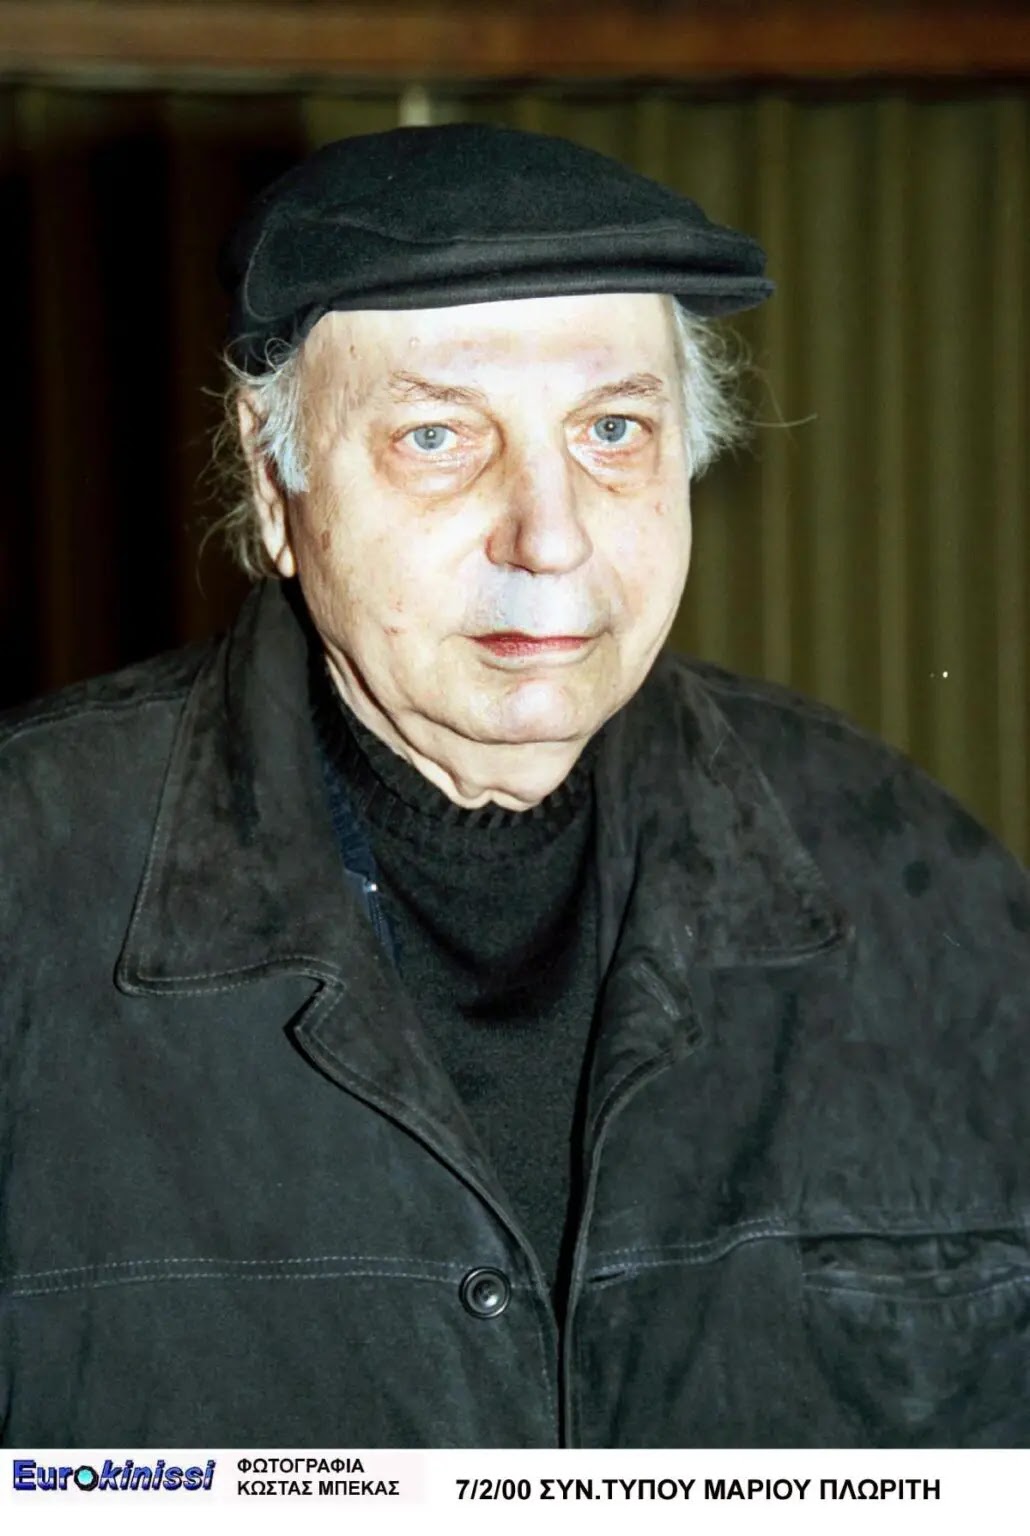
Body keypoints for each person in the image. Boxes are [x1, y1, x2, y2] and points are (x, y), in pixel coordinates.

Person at [1, 123, 1027, 1450]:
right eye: (438, 436)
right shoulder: (28, 885)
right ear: (272, 481)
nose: (549, 537)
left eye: (613, 430)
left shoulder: (919, 881)